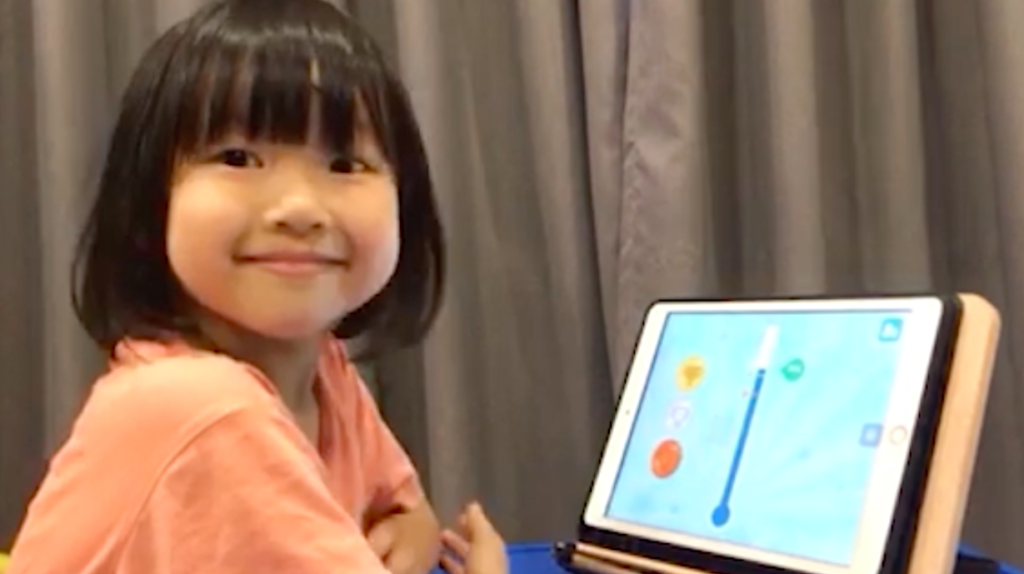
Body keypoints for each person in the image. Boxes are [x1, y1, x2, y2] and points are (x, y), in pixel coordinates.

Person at [5, 1, 509, 573]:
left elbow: (403, 510)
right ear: (150, 203)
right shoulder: (205, 411)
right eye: (238, 157)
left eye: (345, 164)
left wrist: (414, 528)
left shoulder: (323, 369)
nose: (299, 208)